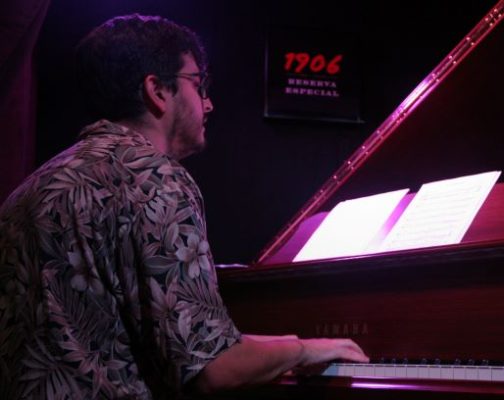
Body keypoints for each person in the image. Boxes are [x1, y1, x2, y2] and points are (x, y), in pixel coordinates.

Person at [0, 14, 368, 399]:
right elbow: (213, 370)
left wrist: (284, 343)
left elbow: (123, 340)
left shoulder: (33, 187)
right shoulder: (153, 177)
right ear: (157, 90)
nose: (208, 103)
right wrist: (305, 350)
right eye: (197, 83)